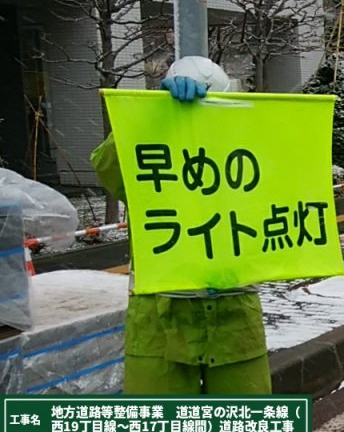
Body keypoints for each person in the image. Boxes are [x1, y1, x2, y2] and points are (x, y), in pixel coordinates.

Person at [90, 56, 272, 395]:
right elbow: (107, 166)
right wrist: (153, 113)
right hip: (159, 314)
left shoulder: (245, 162)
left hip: (233, 311)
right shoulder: (148, 165)